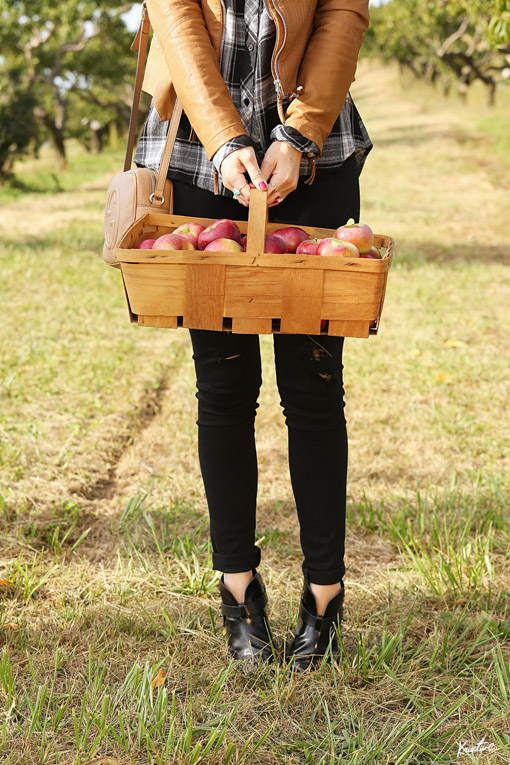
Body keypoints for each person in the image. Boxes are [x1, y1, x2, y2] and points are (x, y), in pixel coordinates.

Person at [135, 0, 372, 672]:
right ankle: (238, 592)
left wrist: (300, 134)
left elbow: (343, 13)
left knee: (315, 385)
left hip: (315, 143)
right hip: (199, 149)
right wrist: (225, 138)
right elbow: (176, 18)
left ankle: (324, 595)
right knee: (226, 382)